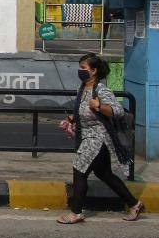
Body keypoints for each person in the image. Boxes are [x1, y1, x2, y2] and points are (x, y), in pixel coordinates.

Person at [57, 53, 144, 224]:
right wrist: (71, 120)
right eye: (80, 67)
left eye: (83, 68)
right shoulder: (82, 89)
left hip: (98, 138)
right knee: (104, 174)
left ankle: (76, 212)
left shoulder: (101, 90)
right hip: (87, 136)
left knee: (80, 170)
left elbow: (117, 111)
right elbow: (82, 112)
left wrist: (99, 106)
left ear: (94, 71)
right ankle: (134, 203)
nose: (80, 71)